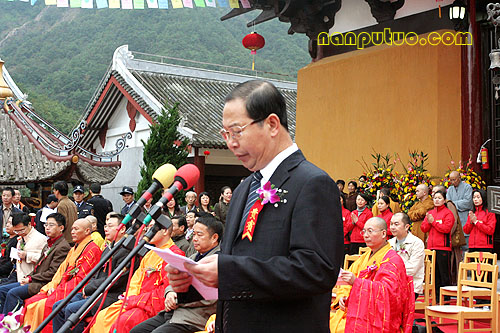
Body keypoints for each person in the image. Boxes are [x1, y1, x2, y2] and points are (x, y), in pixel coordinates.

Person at [166, 80, 343, 332]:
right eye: (225, 134)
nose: (231, 143)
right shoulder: (245, 188)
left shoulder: (312, 183)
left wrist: (229, 271)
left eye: (237, 131)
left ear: (271, 124)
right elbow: (235, 264)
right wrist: (191, 282)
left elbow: (317, 270)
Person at [130, 215, 223, 333]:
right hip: (173, 312)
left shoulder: (217, 261)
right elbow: (174, 280)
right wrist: (170, 292)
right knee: (137, 331)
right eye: (193, 234)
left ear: (214, 238)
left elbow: (210, 297)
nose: (194, 238)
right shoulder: (193, 257)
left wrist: (177, 298)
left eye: (199, 235)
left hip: (193, 317)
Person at [90, 219, 185, 333]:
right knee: (102, 317)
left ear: (164, 231)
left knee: (123, 321)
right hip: (135, 300)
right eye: (148, 228)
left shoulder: (174, 254)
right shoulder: (150, 253)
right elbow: (136, 281)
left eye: (152, 228)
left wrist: (135, 301)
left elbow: (165, 291)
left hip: (150, 306)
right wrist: (130, 298)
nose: (147, 231)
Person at [52, 214, 139, 333]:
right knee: (57, 307)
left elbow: (115, 280)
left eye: (110, 226)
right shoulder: (109, 248)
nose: (105, 229)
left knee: (72, 309)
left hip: (110, 295)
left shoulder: (127, 252)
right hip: (95, 292)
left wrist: (89, 289)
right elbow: (96, 273)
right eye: (105, 226)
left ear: (122, 229)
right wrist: (88, 289)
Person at [330, 217, 414, 332]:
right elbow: (346, 283)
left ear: (383, 233)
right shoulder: (364, 257)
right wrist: (342, 298)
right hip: (354, 309)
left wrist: (357, 282)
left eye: (370, 231)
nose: (365, 235)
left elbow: (389, 294)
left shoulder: (392, 260)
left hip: (376, 317)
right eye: (364, 231)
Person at [23, 218, 102, 333]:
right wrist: (52, 286)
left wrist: (58, 290)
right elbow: (62, 271)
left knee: (41, 306)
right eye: (72, 229)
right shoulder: (74, 248)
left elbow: (81, 279)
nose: (72, 232)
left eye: (76, 229)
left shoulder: (92, 250)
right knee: (31, 302)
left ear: (87, 231)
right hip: (62, 285)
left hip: (75, 290)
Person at [0, 213, 71, 314]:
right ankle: (3, 321)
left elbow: (53, 272)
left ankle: (12, 323)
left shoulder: (61, 246)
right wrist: (28, 277)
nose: (47, 228)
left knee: (12, 293)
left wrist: (30, 278)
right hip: (30, 277)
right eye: (46, 225)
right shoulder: (50, 243)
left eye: (51, 225)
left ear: (61, 228)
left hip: (42, 283)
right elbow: (39, 266)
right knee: (2, 290)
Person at [420, 189, 454, 300]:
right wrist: (430, 222)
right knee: (434, 275)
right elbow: (423, 228)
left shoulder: (448, 213)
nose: (437, 200)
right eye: (435, 198)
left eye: (439, 198)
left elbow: (446, 229)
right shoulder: (430, 213)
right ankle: (436, 297)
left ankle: (446, 298)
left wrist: (433, 222)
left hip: (443, 247)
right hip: (431, 247)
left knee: (444, 274)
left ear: (444, 200)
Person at [388, 212, 425, 299]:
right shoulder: (389, 243)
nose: (393, 227)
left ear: (406, 227)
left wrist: (391, 272)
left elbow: (412, 269)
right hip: (391, 284)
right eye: (391, 224)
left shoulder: (417, 243)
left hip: (410, 286)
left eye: (396, 224)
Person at [11, 213, 47, 284]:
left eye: (22, 230)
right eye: (16, 231)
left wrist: (27, 256)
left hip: (31, 279)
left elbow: (45, 259)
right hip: (19, 275)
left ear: (29, 224)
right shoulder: (21, 238)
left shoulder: (40, 238)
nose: (19, 233)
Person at [446, 170, 473, 248]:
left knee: (466, 247)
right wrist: (456, 204)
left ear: (459, 178)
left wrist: (453, 205)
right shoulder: (450, 189)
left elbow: (467, 203)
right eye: (451, 180)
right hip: (454, 220)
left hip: (464, 218)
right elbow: (448, 204)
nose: (452, 182)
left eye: (454, 179)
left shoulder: (467, 187)